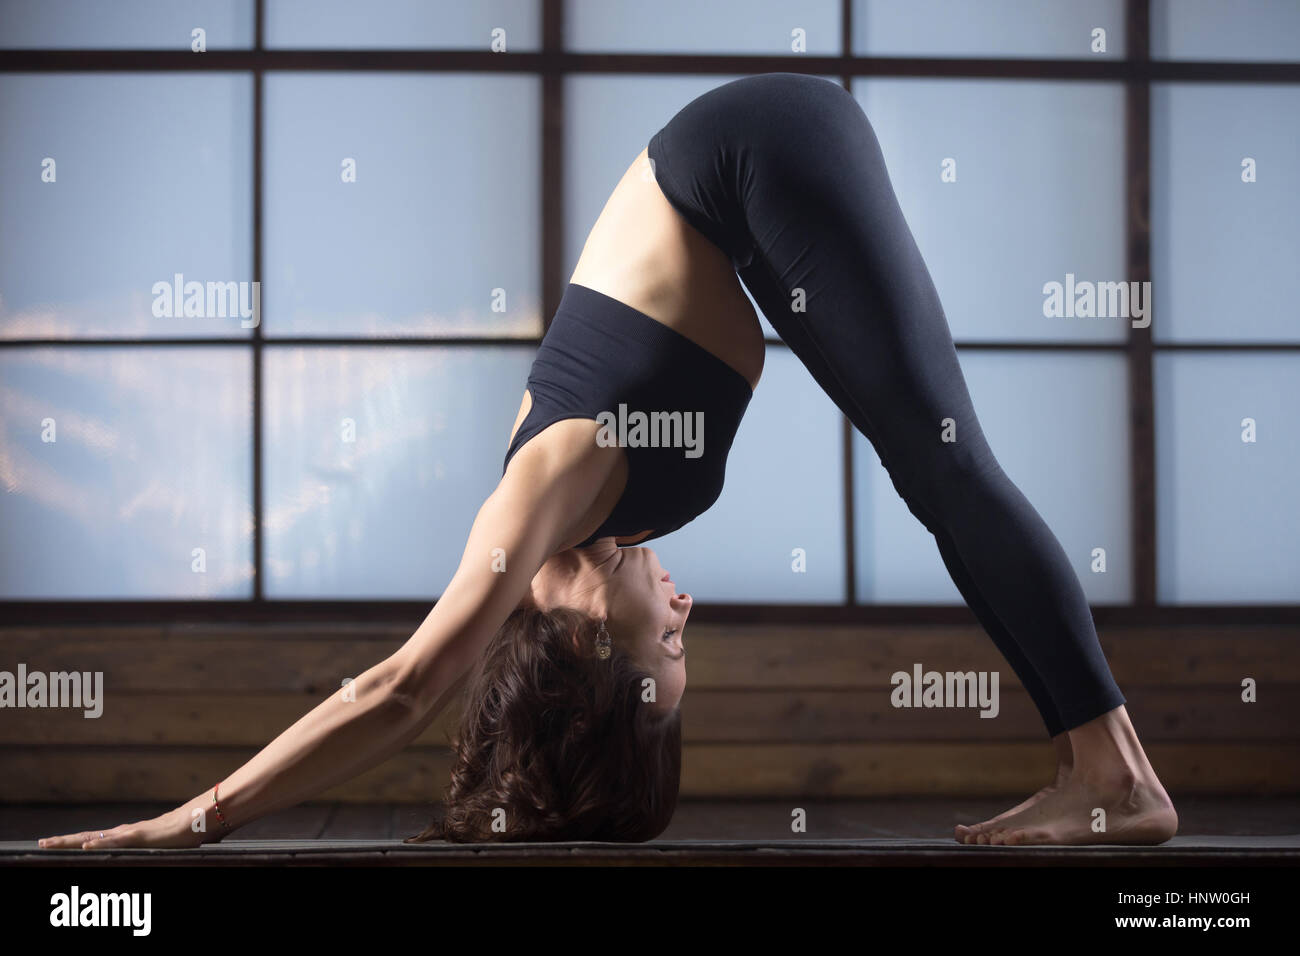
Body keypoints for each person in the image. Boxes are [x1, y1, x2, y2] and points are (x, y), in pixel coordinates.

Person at [38, 72, 1176, 851]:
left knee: (945, 468)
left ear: (588, 640)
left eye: (669, 634)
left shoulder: (543, 494)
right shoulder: (590, 521)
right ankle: (1103, 766)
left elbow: (402, 688)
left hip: (751, 150)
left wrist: (191, 819)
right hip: (751, 186)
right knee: (933, 473)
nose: (688, 601)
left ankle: (1113, 774)